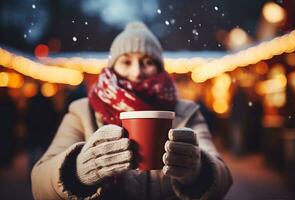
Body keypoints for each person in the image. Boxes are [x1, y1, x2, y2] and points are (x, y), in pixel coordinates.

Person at [31, 22, 232, 200]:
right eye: (126, 61)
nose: (137, 72)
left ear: (159, 67)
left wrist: (197, 171)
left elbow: (223, 180)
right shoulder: (83, 111)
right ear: (113, 67)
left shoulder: (187, 112)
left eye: (147, 62)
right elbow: (39, 185)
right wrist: (79, 170)